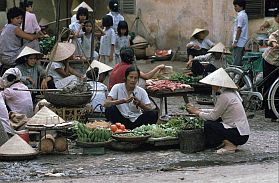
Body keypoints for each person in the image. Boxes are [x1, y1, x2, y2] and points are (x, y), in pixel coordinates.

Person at [186, 68, 250, 154]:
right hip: (242, 133)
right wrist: (199, 110)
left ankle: (229, 145)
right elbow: (217, 110)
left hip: (238, 134)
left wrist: (197, 112)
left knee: (209, 124)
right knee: (215, 121)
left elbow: (213, 116)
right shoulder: (232, 93)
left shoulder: (225, 96)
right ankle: (226, 142)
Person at [0, 7, 42, 75]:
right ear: (11, 19)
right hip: (11, 58)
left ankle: (32, 60)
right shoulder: (14, 28)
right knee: (34, 42)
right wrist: (38, 36)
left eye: (21, 18)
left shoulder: (6, 27)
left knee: (26, 41)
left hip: (3, 58)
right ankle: (37, 64)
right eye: (17, 18)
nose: (20, 20)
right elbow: (31, 38)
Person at [262, 29, 279, 121]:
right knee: (270, 84)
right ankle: (271, 114)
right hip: (270, 59)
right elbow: (273, 35)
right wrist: (273, 43)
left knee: (277, 87)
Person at [232, 0, 248, 66]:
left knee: (236, 62)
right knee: (240, 60)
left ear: (241, 6)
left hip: (239, 42)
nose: (234, 8)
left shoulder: (241, 15)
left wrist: (235, 41)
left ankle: (235, 75)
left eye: (236, 6)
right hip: (241, 41)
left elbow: (239, 29)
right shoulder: (244, 14)